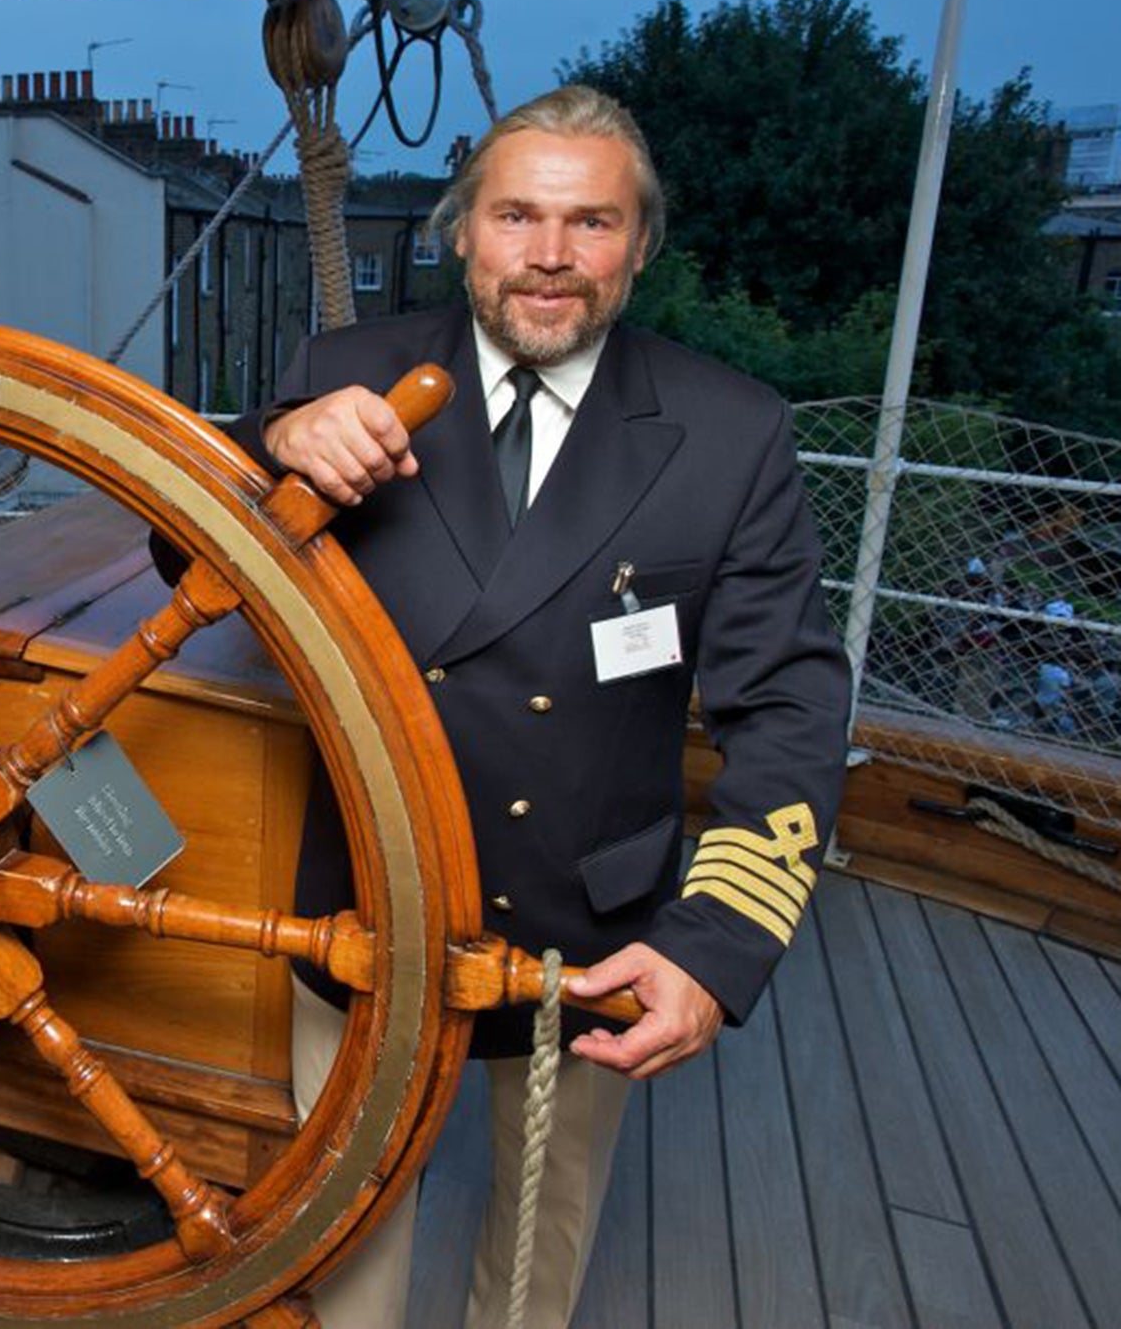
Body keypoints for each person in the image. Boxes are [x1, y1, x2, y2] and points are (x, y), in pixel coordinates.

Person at [239, 85, 850, 1328]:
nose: (551, 257)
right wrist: (272, 449)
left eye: (592, 223)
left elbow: (786, 698)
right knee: (342, 1235)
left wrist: (716, 943)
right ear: (459, 232)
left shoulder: (728, 432)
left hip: (592, 920)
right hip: (366, 894)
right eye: (517, 215)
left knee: (537, 1250)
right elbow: (186, 567)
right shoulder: (340, 373)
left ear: (638, 246)